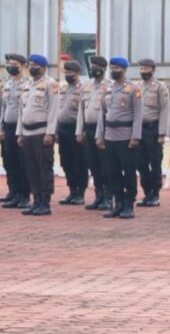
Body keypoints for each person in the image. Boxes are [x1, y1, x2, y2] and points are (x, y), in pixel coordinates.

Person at [95, 56, 143, 220]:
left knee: (128, 171)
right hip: (110, 136)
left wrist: (135, 136)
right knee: (112, 172)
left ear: (124, 69)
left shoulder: (133, 89)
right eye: (112, 68)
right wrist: (99, 135)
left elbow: (138, 115)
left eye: (117, 68)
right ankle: (118, 202)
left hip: (126, 136)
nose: (114, 71)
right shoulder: (108, 89)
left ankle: (129, 204)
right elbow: (102, 114)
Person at [15, 54, 60, 216]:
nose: (32, 67)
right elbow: (22, 111)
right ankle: (36, 200)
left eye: (35, 65)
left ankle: (45, 202)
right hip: (27, 132)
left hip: (42, 133)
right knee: (31, 168)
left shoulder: (50, 84)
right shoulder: (27, 85)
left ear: (43, 67)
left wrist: (50, 132)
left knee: (44, 167)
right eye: (31, 65)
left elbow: (54, 110)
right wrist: (19, 133)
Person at [76, 56, 113, 211]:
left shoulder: (110, 86)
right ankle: (98, 196)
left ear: (104, 69)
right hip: (88, 129)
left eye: (96, 67)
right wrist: (79, 131)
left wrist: (103, 133)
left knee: (106, 165)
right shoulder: (86, 86)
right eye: (91, 66)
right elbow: (81, 110)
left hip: (103, 130)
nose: (93, 69)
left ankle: (108, 197)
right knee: (93, 164)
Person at [136, 58, 170, 207]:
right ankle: (147, 193)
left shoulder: (160, 88)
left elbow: (164, 110)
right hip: (139, 130)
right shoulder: (137, 87)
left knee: (154, 163)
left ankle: (155, 194)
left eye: (146, 69)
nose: (143, 71)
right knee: (140, 163)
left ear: (153, 70)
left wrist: (162, 133)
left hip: (153, 129)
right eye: (141, 69)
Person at [1, 53, 30, 209]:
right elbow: (3, 108)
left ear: (23, 66)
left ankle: (24, 195)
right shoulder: (7, 84)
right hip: (7, 127)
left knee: (22, 162)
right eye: (9, 64)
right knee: (9, 161)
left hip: (21, 128)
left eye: (14, 65)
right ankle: (14, 192)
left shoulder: (27, 84)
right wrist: (1, 127)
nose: (10, 67)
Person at [56, 60, 88, 206]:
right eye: (66, 72)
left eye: (71, 72)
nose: (68, 74)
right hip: (63, 130)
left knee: (79, 161)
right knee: (66, 162)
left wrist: (81, 131)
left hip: (75, 129)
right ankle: (72, 190)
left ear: (78, 73)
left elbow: (84, 111)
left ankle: (80, 192)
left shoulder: (83, 89)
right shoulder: (63, 88)